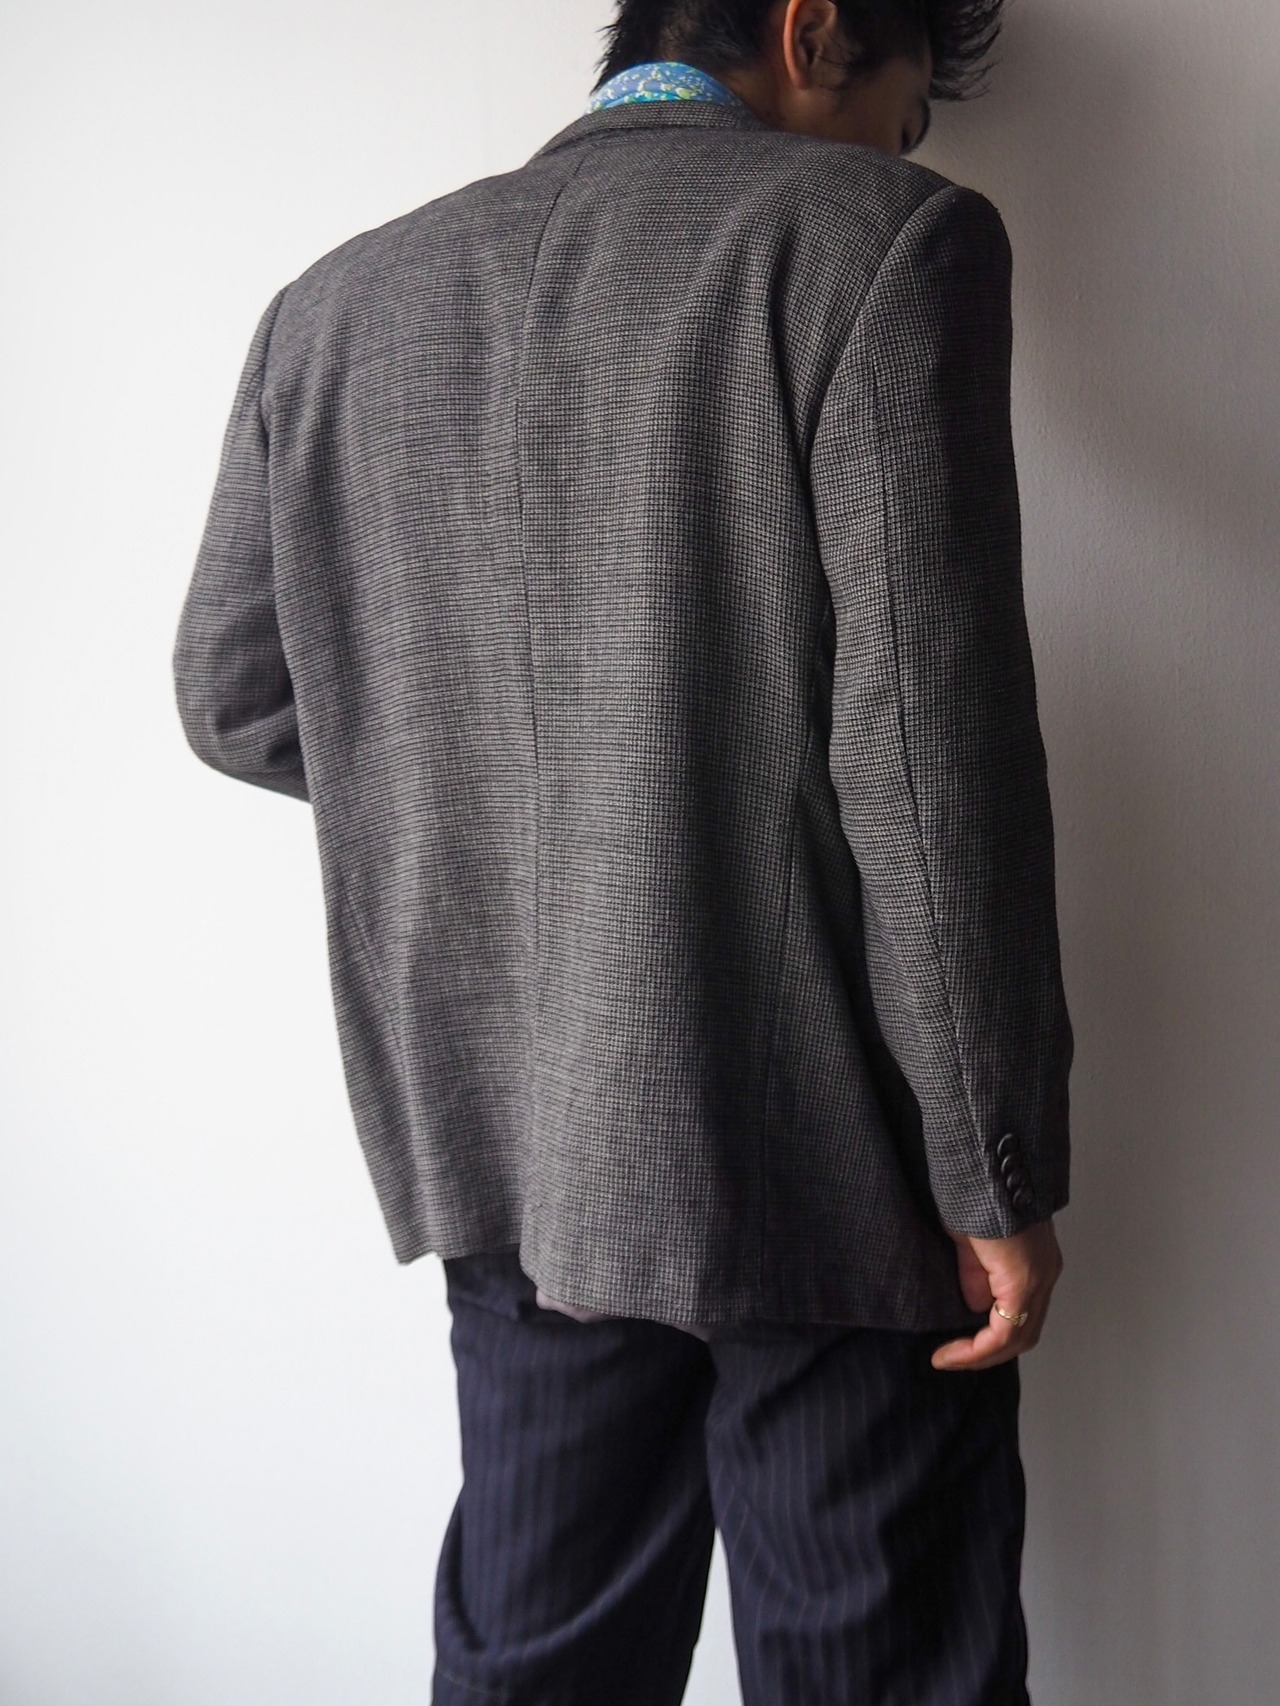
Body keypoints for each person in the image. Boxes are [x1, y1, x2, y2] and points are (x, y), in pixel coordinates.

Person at [172, 0, 1073, 1699]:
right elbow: (927, 763)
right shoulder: (878, 243)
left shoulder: (340, 304)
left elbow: (238, 697)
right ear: (814, 25)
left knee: (542, 1663)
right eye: (901, 113)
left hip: (521, 1155)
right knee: (877, 1669)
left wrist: (515, 815)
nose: (898, 155)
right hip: (833, 1160)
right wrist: (991, 1169)